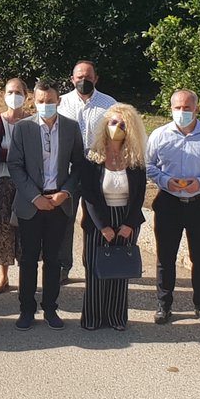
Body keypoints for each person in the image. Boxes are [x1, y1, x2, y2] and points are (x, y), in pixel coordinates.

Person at [146, 89, 200, 325]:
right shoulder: (160, 135)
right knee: (165, 257)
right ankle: (164, 304)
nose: (182, 112)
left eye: (187, 108)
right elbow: (148, 165)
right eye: (178, 108)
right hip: (168, 202)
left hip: (199, 204)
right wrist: (165, 181)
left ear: (197, 109)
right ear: (171, 109)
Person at [8, 79, 85, 331]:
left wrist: (65, 192)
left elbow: (78, 166)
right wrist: (34, 196)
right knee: (28, 259)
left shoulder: (71, 128)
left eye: (50, 102)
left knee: (53, 259)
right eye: (40, 102)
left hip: (58, 203)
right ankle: (26, 309)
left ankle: (50, 308)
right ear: (34, 101)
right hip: (32, 203)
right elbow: (15, 166)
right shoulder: (22, 128)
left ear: (58, 101)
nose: (45, 105)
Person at [79, 104, 147, 331]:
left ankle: (116, 318)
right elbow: (88, 195)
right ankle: (93, 318)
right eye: (113, 122)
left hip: (126, 218)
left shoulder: (135, 159)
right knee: (96, 270)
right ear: (105, 125)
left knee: (119, 271)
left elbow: (139, 196)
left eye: (122, 124)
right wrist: (103, 226)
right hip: (99, 219)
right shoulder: (92, 156)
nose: (117, 127)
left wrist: (129, 224)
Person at [56, 60, 117, 282]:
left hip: (97, 169)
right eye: (79, 77)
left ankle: (92, 264)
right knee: (65, 218)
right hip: (69, 169)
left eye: (88, 77)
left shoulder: (109, 104)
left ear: (96, 79)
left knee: (95, 219)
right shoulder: (61, 102)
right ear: (72, 79)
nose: (84, 81)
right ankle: (63, 266)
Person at [0, 78, 28, 294]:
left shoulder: (32, 121)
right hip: (1, 184)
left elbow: (36, 155)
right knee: (2, 232)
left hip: (26, 186)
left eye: (18, 92)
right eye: (10, 91)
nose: (14, 96)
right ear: (4, 95)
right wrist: (16, 156)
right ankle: (3, 276)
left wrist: (10, 156)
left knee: (25, 232)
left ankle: (25, 276)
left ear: (26, 95)